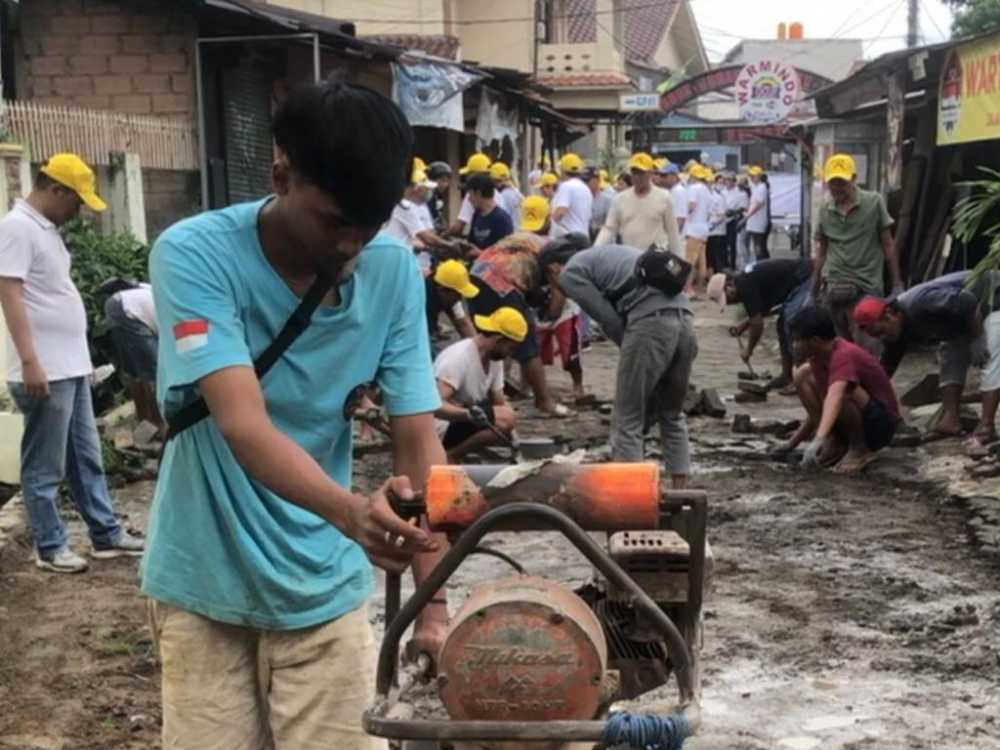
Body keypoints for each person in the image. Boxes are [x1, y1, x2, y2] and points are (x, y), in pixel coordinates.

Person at [141, 81, 449, 749]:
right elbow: (243, 423)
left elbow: (417, 438)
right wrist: (351, 513)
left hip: (324, 589)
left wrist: (435, 605)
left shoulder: (392, 272)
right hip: (203, 582)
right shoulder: (195, 255)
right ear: (280, 173)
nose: (351, 248)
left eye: (370, 227)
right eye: (335, 222)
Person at [0, 153, 144, 574]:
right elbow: (9, 295)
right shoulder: (17, 229)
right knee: (45, 464)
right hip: (43, 368)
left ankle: (105, 533)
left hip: (70, 366)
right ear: (55, 189)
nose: (78, 211)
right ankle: (49, 545)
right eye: (76, 201)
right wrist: (30, 362)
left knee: (85, 455)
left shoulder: (44, 230)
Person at [540, 240, 696, 489]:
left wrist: (636, 355)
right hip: (686, 321)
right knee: (672, 413)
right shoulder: (611, 254)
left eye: (549, 282)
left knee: (627, 417)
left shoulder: (571, 273)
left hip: (650, 323)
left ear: (553, 268)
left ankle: (630, 495)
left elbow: (607, 318)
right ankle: (682, 491)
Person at [853, 270, 1000, 448]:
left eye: (880, 331)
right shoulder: (895, 333)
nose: (881, 337)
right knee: (950, 356)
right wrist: (860, 394)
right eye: (876, 336)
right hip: (962, 318)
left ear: (891, 314)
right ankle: (950, 421)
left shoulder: (919, 303)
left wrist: (978, 338)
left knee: (990, 356)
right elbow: (883, 373)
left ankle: (987, 428)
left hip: (992, 297)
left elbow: (967, 300)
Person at [780, 305, 900, 473]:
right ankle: (836, 442)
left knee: (843, 390)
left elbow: (835, 396)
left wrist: (817, 439)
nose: (794, 345)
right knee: (803, 375)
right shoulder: (818, 359)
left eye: (797, 340)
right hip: (859, 416)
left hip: (880, 424)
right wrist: (792, 443)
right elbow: (819, 408)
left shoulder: (843, 355)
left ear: (814, 341)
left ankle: (859, 448)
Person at [471, 232, 576, 417]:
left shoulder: (541, 244)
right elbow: (554, 309)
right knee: (526, 341)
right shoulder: (556, 262)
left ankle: (482, 394)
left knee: (488, 337)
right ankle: (544, 401)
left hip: (478, 274)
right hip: (501, 279)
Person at [811, 153, 903, 349]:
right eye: (833, 182)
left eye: (841, 182)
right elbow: (821, 252)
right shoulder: (825, 209)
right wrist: (812, 290)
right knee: (839, 348)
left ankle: (868, 379)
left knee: (868, 347)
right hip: (834, 285)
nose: (837, 188)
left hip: (866, 284)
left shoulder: (873, 202)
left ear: (853, 179)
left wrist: (896, 283)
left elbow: (888, 244)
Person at [707, 257, 814, 391]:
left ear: (729, 284)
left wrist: (749, 350)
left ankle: (800, 379)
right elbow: (762, 310)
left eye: (727, 298)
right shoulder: (744, 282)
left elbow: (758, 324)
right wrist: (744, 326)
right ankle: (787, 376)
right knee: (781, 325)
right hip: (797, 281)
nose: (730, 303)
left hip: (805, 278)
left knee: (791, 322)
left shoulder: (744, 285)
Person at [433, 306, 523, 462]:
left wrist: (514, 435)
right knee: (504, 419)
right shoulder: (459, 357)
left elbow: (499, 401)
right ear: (500, 340)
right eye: (511, 348)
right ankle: (452, 455)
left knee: (507, 421)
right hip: (439, 426)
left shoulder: (493, 358)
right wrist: (467, 415)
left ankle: (463, 451)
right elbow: (435, 406)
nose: (511, 354)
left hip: (462, 420)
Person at [595, 152, 681, 256]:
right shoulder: (620, 200)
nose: (637, 177)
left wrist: (677, 259)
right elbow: (609, 228)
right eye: (634, 172)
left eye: (641, 173)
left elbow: (673, 232)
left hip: (656, 259)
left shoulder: (664, 198)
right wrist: (595, 249)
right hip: (630, 259)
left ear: (650, 173)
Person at [104, 282, 163, 430]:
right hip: (128, 311)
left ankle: (144, 423)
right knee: (154, 374)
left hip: (117, 304)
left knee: (135, 373)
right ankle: (159, 426)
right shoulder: (175, 314)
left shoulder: (156, 291)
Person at [426, 259, 478, 342]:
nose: (460, 298)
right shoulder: (422, 299)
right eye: (458, 294)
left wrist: (477, 347)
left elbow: (463, 323)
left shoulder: (449, 296)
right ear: (442, 290)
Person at [466, 173, 514, 252]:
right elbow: (471, 242)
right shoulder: (476, 215)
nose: (469, 199)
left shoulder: (502, 219)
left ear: (478, 193)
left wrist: (480, 254)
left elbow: (506, 254)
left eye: (470, 195)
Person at [684, 165, 712, 296]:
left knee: (690, 260)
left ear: (693, 176)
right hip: (703, 228)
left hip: (693, 227)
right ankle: (700, 288)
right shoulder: (707, 189)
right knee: (702, 260)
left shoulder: (694, 188)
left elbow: (692, 205)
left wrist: (684, 212)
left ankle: (688, 288)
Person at [550, 153, 593, 238]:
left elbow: (561, 211)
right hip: (584, 236)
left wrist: (549, 225)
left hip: (569, 238)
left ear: (562, 171)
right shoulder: (585, 188)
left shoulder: (566, 186)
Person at [448, 152, 492, 236]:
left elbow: (458, 227)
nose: (467, 177)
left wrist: (443, 236)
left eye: (469, 174)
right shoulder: (496, 193)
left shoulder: (473, 195)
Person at [723, 172, 749, 270]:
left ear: (734, 182)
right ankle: (726, 264)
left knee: (733, 244)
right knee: (724, 244)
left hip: (733, 220)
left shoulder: (740, 193)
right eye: (726, 180)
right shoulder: (722, 192)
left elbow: (743, 207)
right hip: (722, 221)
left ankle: (733, 265)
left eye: (730, 180)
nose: (727, 182)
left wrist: (733, 212)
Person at [744, 166, 770, 261]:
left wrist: (748, 215)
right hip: (753, 221)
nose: (751, 178)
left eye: (753, 176)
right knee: (756, 245)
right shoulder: (756, 187)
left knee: (758, 246)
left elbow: (758, 204)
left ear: (758, 176)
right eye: (750, 176)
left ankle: (762, 264)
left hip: (758, 222)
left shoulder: (762, 187)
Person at [491, 161, 524, 230]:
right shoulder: (517, 192)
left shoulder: (503, 196)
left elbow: (500, 219)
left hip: (512, 234)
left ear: (495, 181)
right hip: (522, 232)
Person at [707, 173, 728, 275]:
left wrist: (712, 225)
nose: (721, 185)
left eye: (723, 183)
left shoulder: (719, 197)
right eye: (719, 182)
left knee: (717, 256)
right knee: (710, 256)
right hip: (711, 231)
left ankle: (718, 276)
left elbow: (721, 215)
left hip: (717, 231)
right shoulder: (711, 195)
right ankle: (713, 275)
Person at [660, 163, 687, 236]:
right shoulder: (671, 191)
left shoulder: (679, 191)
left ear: (674, 176)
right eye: (661, 176)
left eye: (664, 176)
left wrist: (672, 238)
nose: (662, 179)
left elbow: (680, 218)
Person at [426, 161, 453, 232]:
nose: (446, 184)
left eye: (447, 181)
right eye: (443, 180)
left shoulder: (435, 196)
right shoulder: (428, 195)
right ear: (432, 179)